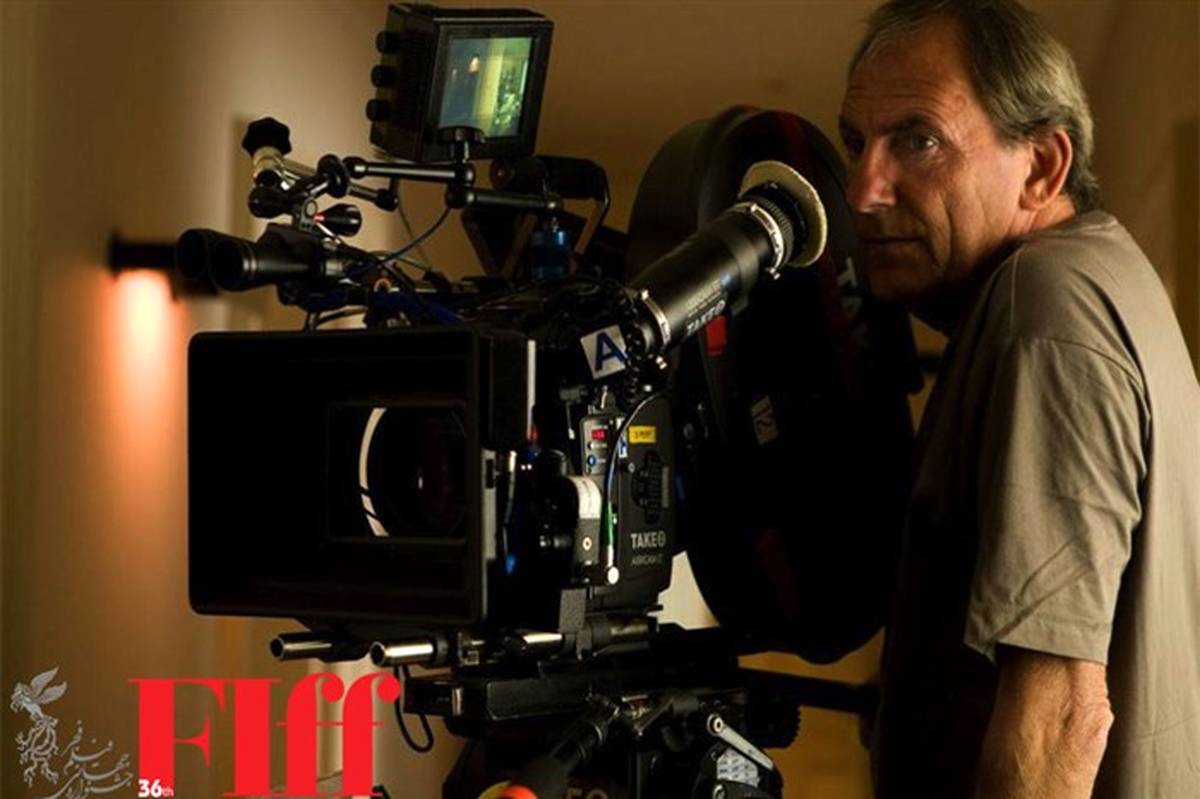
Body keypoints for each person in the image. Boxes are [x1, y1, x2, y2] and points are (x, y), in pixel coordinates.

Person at [836, 1, 1200, 796]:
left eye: (917, 140)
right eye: (856, 143)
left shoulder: (1042, 303)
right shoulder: (1105, 281)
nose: (863, 189)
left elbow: (1062, 715)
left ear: (1041, 166)